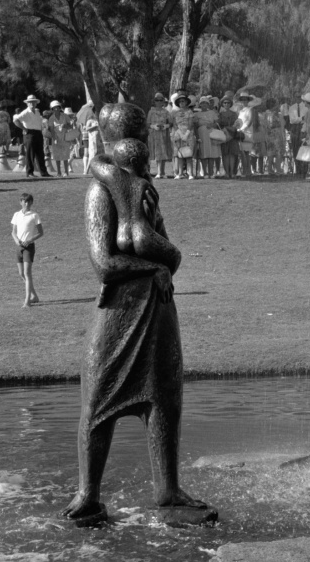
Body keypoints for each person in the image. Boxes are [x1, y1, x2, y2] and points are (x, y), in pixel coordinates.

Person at [64, 102, 208, 526]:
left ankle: (167, 487)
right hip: (120, 310)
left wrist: (155, 241)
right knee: (99, 398)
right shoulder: (100, 191)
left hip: (158, 310)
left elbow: (159, 245)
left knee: (165, 394)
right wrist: (156, 265)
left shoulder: (142, 189)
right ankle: (87, 494)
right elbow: (104, 264)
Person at [11, 191, 43, 307]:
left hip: (29, 247)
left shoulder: (34, 215)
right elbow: (13, 232)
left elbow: (40, 232)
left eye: (30, 202)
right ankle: (34, 296)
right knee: (21, 274)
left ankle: (27, 301)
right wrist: (17, 241)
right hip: (19, 247)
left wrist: (29, 240)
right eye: (26, 201)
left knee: (27, 273)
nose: (28, 204)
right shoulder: (16, 215)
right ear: (21, 202)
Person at [14, 95, 51, 178]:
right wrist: (24, 128)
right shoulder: (25, 112)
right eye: (30, 102)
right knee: (30, 154)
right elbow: (16, 120)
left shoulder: (37, 112)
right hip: (29, 133)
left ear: (36, 103)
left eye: (33, 102)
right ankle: (30, 172)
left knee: (40, 153)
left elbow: (39, 121)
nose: (32, 104)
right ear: (27, 103)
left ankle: (43, 172)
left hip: (38, 132)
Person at [169, 91, 196, 179]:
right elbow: (174, 124)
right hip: (178, 134)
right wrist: (179, 133)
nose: (182, 103)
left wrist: (187, 133)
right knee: (180, 154)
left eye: (183, 101)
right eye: (180, 101)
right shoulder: (175, 113)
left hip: (188, 134)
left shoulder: (190, 112)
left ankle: (190, 173)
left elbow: (191, 123)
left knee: (188, 154)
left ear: (187, 102)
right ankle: (179, 173)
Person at [147, 92, 172, 179]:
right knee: (157, 152)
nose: (159, 102)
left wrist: (165, 126)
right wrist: (154, 126)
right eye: (157, 100)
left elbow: (171, 123)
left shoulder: (166, 112)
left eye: (161, 100)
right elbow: (148, 123)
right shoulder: (151, 111)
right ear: (154, 101)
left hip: (164, 133)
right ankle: (158, 172)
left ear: (163, 102)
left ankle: (163, 171)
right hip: (154, 134)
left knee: (164, 152)